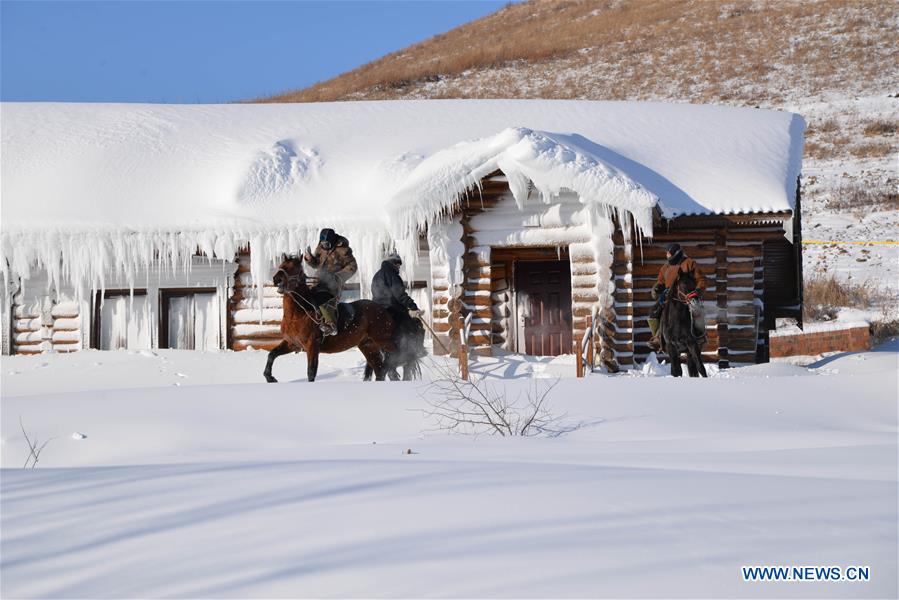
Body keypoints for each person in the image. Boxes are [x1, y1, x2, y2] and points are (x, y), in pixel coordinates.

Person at [648, 242, 708, 351]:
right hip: (669, 297)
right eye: (667, 254)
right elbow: (661, 282)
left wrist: (697, 291)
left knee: (697, 310)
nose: (667, 256)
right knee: (653, 312)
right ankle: (658, 338)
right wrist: (657, 288)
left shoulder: (689, 263)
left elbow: (701, 280)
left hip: (688, 296)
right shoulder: (665, 268)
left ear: (676, 253)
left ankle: (700, 336)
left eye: (669, 254)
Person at [371, 252, 427, 358]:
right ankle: (418, 349)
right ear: (392, 263)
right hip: (391, 309)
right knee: (417, 323)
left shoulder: (377, 275)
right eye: (397, 263)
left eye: (399, 264)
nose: (399, 266)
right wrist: (413, 307)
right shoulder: (391, 274)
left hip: (378, 310)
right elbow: (399, 294)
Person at [303, 228, 357, 336]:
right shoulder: (320, 248)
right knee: (304, 297)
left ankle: (331, 325)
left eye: (327, 244)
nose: (324, 246)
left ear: (332, 241)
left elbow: (352, 267)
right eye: (322, 243)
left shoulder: (343, 251)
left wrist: (337, 278)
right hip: (318, 283)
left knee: (321, 298)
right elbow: (317, 264)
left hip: (332, 286)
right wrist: (310, 259)